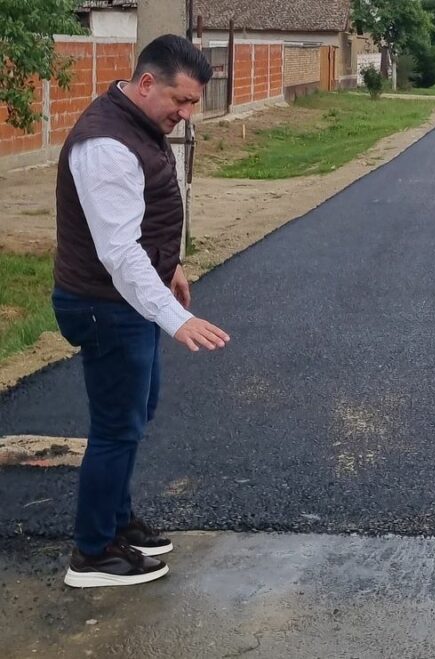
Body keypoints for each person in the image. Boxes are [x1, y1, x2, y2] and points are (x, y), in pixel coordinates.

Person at [53, 34, 230, 588]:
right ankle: (93, 552)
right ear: (147, 83)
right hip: (105, 305)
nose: (187, 113)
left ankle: (116, 519)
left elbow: (143, 219)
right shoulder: (106, 145)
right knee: (116, 427)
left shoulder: (138, 123)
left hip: (127, 300)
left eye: (194, 103)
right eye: (181, 100)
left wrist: (171, 266)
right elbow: (119, 252)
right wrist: (177, 320)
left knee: (136, 412)